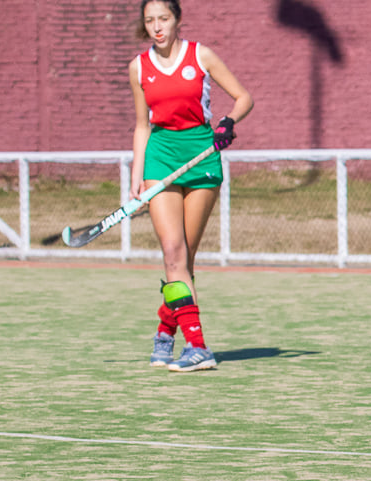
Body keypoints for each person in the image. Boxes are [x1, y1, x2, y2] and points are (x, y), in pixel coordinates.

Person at [131, 0, 253, 371]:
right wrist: (136, 175)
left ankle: (165, 333)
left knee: (184, 259)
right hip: (161, 158)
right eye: (150, 20)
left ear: (177, 19)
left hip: (201, 157)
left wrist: (228, 123)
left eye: (163, 19)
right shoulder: (138, 67)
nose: (157, 26)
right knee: (173, 253)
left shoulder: (201, 56)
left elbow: (244, 97)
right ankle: (197, 347)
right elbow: (141, 125)